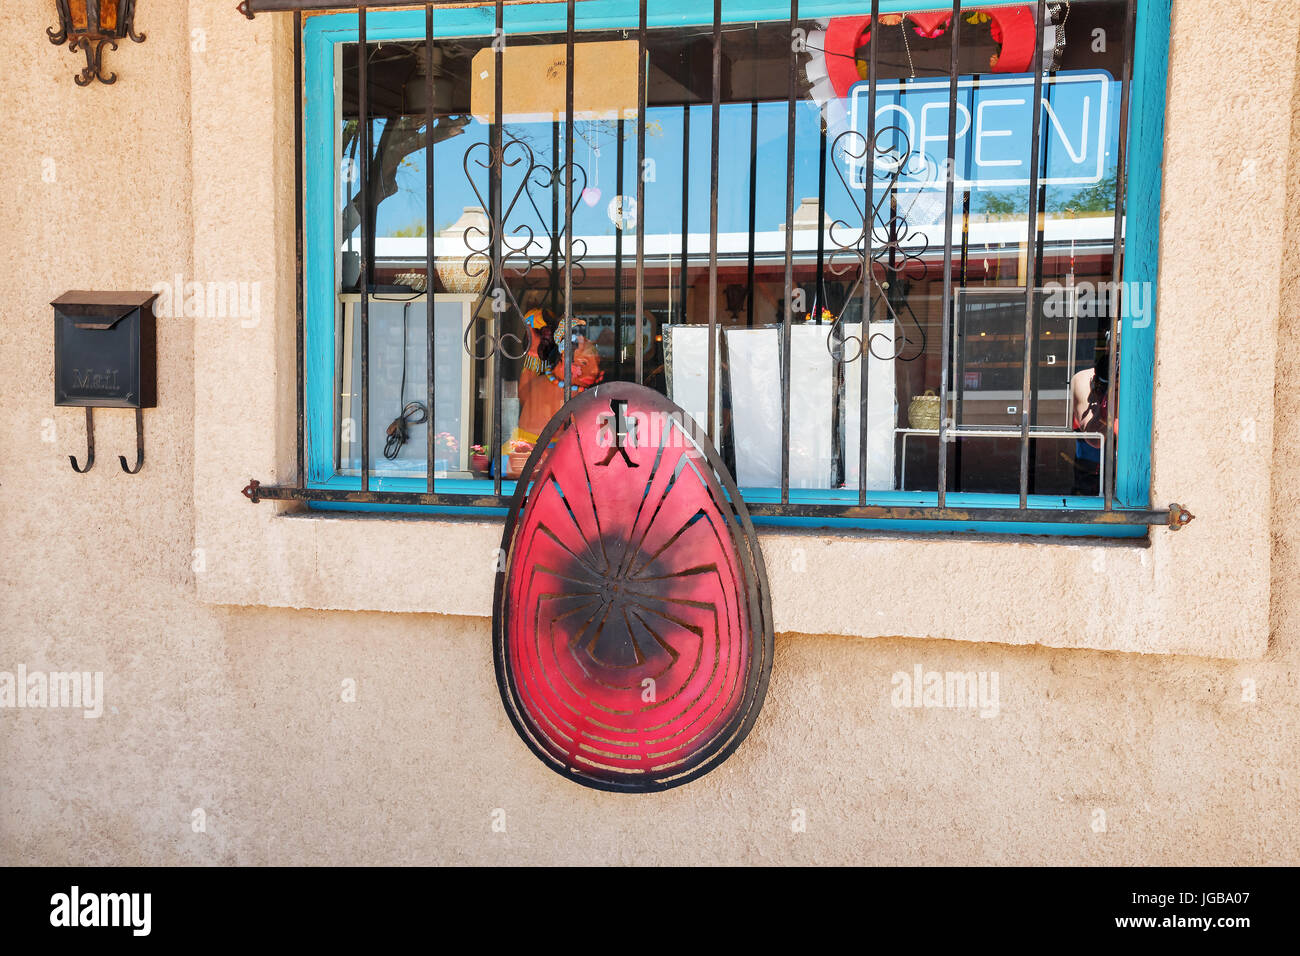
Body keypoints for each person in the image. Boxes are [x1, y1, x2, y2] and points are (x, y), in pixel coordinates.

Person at [1070, 334, 1115, 496]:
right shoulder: (1086, 379)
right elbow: (1095, 439)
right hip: (1092, 465)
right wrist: (1106, 396)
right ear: (1107, 348)